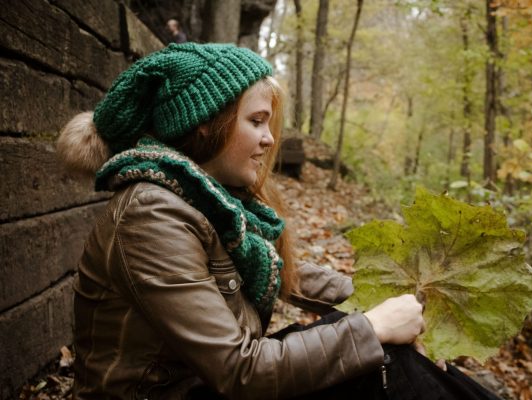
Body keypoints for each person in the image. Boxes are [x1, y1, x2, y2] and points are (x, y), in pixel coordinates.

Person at [57, 43, 501, 400]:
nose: (270, 140)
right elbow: (239, 371)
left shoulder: (205, 203)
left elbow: (284, 274)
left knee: (382, 353)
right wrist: (372, 327)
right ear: (207, 125)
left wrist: (385, 304)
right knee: (377, 357)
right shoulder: (150, 214)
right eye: (256, 121)